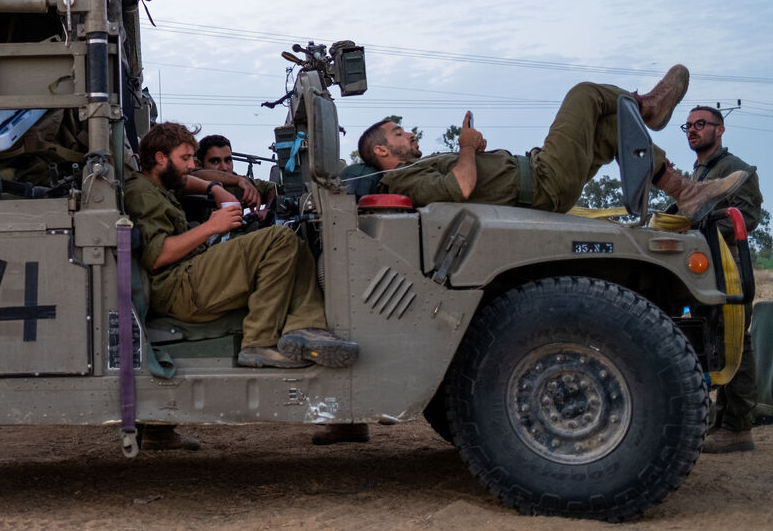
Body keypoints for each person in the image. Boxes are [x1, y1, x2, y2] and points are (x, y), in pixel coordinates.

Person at [356, 67, 749, 221]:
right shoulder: (400, 182)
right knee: (584, 95)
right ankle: (647, 107)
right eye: (397, 134)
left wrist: (472, 150)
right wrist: (468, 147)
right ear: (382, 152)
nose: (408, 134)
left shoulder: (411, 169)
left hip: (541, 173)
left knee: (611, 127)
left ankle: (685, 192)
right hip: (543, 183)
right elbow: (460, 186)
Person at [124, 122, 358, 369]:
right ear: (160, 158)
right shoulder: (141, 193)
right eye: (185, 158)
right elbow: (157, 256)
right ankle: (258, 342)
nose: (192, 166)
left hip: (187, 276)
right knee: (278, 239)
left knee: (295, 243)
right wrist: (212, 226)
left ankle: (306, 327)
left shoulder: (161, 183)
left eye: (192, 158)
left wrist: (215, 189)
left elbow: (191, 180)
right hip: (174, 288)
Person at [676, 106, 763, 453]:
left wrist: (695, 228)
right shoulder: (701, 171)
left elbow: (749, 216)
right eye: (689, 125)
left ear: (720, 129)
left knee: (735, 344)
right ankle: (722, 420)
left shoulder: (736, 169)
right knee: (714, 343)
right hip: (706, 270)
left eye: (701, 124)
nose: (692, 130)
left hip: (729, 270)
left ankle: (739, 427)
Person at [194, 134, 278, 210]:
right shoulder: (189, 182)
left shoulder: (240, 184)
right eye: (215, 162)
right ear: (198, 165)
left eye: (228, 161)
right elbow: (196, 175)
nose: (224, 168)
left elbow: (272, 188)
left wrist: (267, 210)